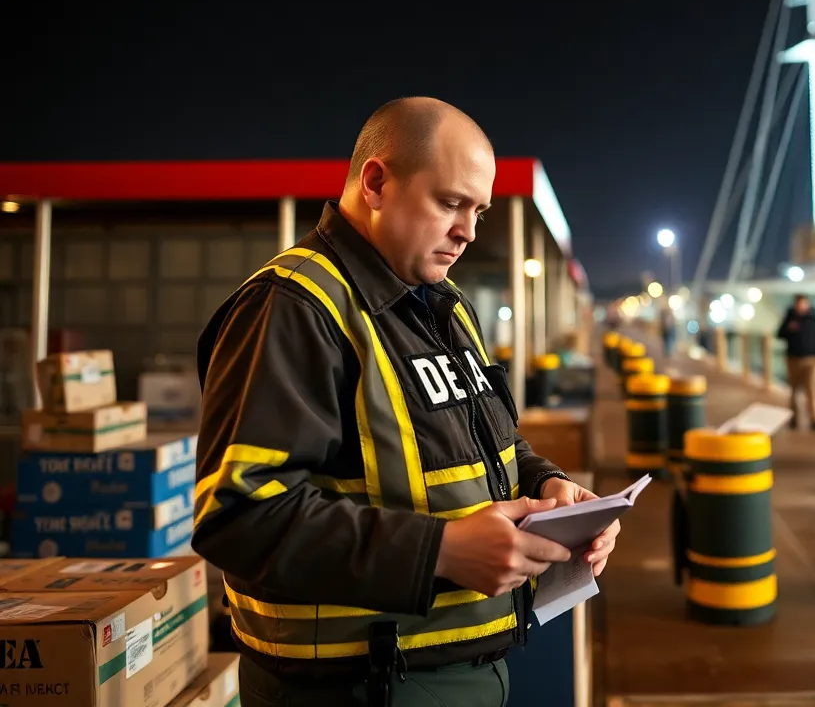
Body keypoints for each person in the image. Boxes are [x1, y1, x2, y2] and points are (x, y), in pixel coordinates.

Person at [191, 97, 621, 707]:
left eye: (478, 211)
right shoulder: (293, 309)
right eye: (450, 203)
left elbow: (493, 447)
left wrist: (551, 489)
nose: (468, 232)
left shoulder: (444, 306)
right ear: (375, 182)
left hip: (460, 669)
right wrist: (442, 550)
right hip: (356, 688)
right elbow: (238, 518)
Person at [776, 294, 815, 430]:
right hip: (793, 360)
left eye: (804, 303)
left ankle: (814, 419)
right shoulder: (789, 318)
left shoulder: (812, 319)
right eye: (799, 303)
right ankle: (793, 418)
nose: (801, 306)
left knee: (812, 390)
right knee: (794, 391)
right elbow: (779, 334)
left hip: (811, 360)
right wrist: (789, 329)